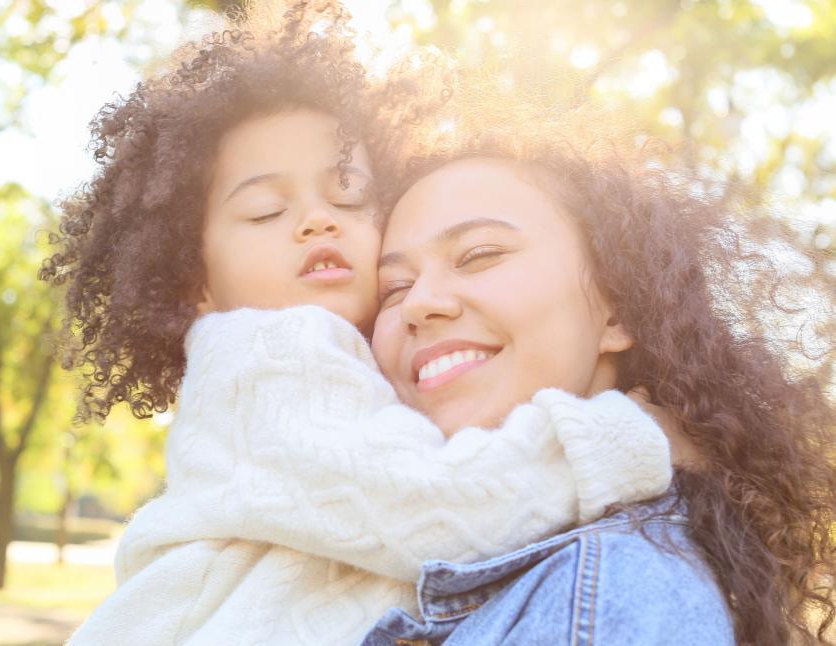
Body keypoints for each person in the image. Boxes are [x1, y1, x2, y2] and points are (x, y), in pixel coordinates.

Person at [44, 3, 677, 644]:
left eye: (348, 195)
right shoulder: (270, 357)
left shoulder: (352, 369)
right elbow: (437, 509)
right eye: (266, 211)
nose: (319, 219)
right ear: (195, 284)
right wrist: (628, 438)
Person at [360, 73, 836, 644]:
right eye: (393, 287)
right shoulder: (381, 562)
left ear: (616, 312)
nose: (420, 303)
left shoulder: (616, 589)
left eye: (479, 255)